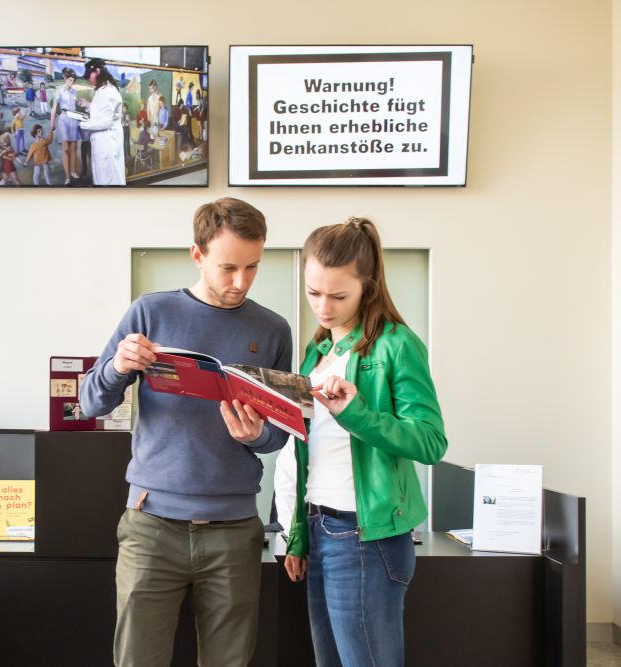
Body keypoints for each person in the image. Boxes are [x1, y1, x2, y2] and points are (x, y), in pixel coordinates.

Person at [81, 197, 292, 667]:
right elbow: (91, 402)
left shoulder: (273, 329)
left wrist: (254, 435)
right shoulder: (149, 313)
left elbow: (279, 436)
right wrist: (117, 365)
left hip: (235, 529)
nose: (241, 282)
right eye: (228, 267)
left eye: (253, 267)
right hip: (151, 525)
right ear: (197, 255)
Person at [279, 217, 447, 667]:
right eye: (314, 293)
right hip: (319, 527)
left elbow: (431, 442)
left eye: (339, 295)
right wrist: (298, 535)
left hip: (364, 535)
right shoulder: (316, 352)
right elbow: (306, 453)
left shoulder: (396, 345)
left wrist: (356, 413)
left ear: (367, 289)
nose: (324, 307)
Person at [78, 57, 126, 186]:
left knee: (107, 180)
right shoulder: (105, 89)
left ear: (97, 71)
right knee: (108, 178)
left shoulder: (106, 92)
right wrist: (89, 105)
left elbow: (104, 122)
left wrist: (82, 123)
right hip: (105, 142)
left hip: (106, 144)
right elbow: (103, 110)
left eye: (89, 75)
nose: (88, 79)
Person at [49, 67, 82, 185]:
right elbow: (54, 108)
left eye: (73, 78)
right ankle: (67, 176)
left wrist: (80, 103)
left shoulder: (75, 92)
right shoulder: (59, 91)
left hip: (73, 120)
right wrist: (52, 122)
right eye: (69, 78)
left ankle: (73, 171)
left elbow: (75, 105)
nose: (71, 80)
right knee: (65, 149)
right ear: (64, 78)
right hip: (63, 120)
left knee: (73, 148)